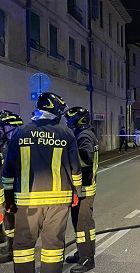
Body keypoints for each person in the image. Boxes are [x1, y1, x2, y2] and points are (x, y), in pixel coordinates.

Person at [1, 92, 82, 273]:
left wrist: (8, 198)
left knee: (23, 247)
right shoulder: (66, 133)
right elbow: (75, 169)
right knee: (53, 247)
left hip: (27, 202)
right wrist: (76, 192)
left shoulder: (21, 132)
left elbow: (7, 171)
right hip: (58, 201)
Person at [64, 107, 99, 273]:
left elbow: (86, 159)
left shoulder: (83, 136)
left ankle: (87, 260)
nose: (67, 122)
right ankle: (84, 252)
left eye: (70, 119)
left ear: (78, 120)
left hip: (83, 189)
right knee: (84, 223)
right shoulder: (86, 133)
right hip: (83, 188)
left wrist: (69, 153)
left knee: (82, 225)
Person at [0, 110, 23, 263]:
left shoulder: (17, 144)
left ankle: (15, 251)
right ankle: (11, 249)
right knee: (9, 222)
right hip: (7, 190)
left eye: (2, 127)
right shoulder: (7, 144)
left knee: (14, 222)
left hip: (16, 191)